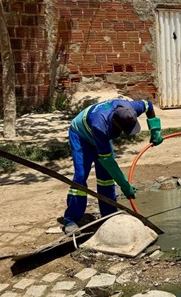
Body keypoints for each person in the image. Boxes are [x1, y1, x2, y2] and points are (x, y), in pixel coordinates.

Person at [62, 99, 163, 235]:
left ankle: (109, 216)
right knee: (80, 175)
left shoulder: (131, 108)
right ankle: (71, 219)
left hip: (99, 134)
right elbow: (108, 162)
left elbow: (149, 106)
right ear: (115, 122)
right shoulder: (100, 125)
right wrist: (124, 185)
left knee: (106, 178)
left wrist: (155, 130)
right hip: (81, 136)